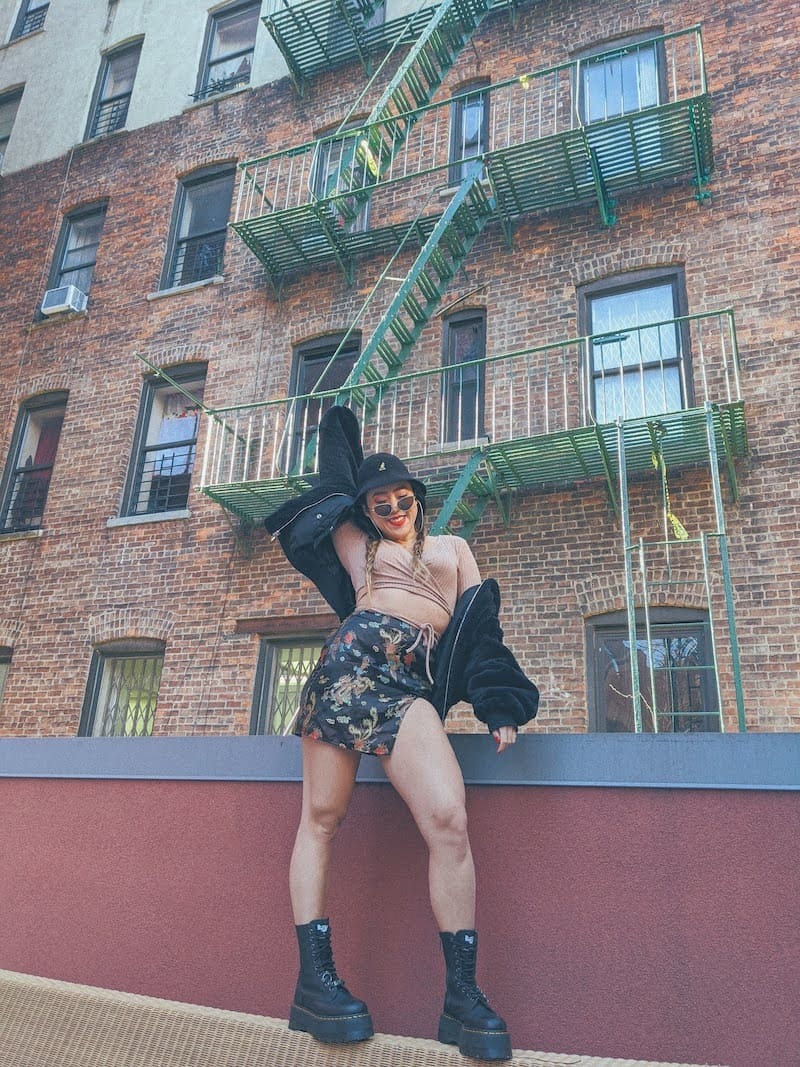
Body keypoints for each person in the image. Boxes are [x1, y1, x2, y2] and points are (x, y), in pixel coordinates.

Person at [265, 407, 538, 1062]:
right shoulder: (359, 548)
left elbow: (480, 628)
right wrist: (339, 422)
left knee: (448, 819)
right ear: (368, 509)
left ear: (418, 499)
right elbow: (335, 480)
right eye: (379, 502)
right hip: (347, 667)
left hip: (407, 686)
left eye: (401, 498)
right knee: (322, 818)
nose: (391, 508)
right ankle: (315, 983)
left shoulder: (453, 551)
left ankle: (462, 997)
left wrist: (499, 704)